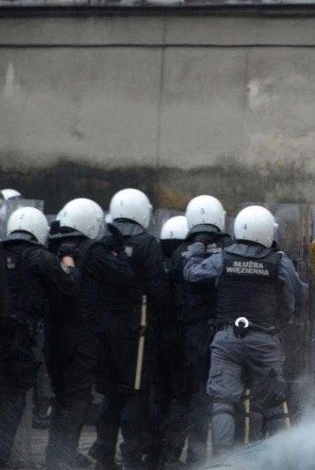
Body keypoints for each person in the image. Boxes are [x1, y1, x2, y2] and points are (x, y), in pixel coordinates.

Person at [183, 205, 301, 453]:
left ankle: (223, 462)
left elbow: (192, 273)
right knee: (273, 402)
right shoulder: (279, 262)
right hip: (264, 339)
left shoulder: (223, 257)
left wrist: (196, 246)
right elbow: (292, 298)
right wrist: (279, 324)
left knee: (223, 403)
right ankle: (278, 458)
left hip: (227, 339)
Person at [46, 198, 135, 470]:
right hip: (81, 335)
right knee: (78, 399)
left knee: (61, 398)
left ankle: (56, 455)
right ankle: (63, 458)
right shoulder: (92, 250)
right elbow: (125, 276)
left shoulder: (54, 245)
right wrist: (118, 250)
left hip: (54, 336)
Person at [90, 189, 165, 470]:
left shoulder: (102, 244)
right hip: (137, 328)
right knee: (135, 392)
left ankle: (104, 456)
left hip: (104, 327)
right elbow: (158, 289)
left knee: (110, 393)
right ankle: (132, 456)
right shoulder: (147, 244)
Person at [0, 207, 77, 467]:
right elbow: (69, 287)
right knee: (11, 404)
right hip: (19, 342)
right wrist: (68, 260)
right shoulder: (39, 257)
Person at [171, 195, 231, 466]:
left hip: (191, 333)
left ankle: (194, 458)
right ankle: (225, 457)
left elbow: (170, 293)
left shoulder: (180, 252)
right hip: (223, 331)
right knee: (225, 396)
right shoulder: (230, 247)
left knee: (196, 397)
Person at [148, 215, 188, 470]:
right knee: (180, 398)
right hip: (181, 340)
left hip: (154, 338)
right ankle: (171, 455)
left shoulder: (155, 265)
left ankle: (152, 453)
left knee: (157, 397)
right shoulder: (183, 266)